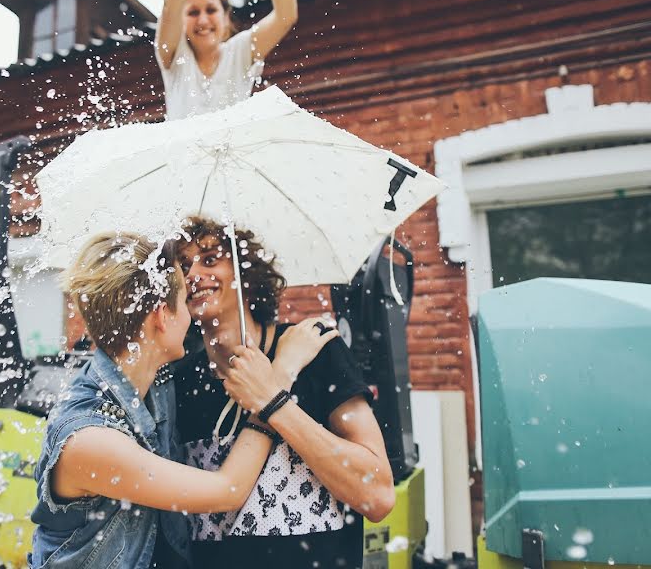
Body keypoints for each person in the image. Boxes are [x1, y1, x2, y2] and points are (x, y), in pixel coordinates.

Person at [28, 232, 337, 569]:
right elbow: (228, 490)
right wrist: (278, 377)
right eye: (184, 299)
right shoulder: (90, 440)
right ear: (162, 316)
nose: (190, 314)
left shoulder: (155, 384)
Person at [168, 216, 396, 569]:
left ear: (246, 273)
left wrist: (272, 400)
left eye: (210, 259)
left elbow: (378, 496)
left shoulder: (315, 351)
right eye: (183, 266)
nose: (194, 272)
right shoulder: (179, 383)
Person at [155, 0, 298, 119]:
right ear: (181, 21)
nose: (203, 20)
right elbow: (170, 7)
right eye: (193, 12)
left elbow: (285, 17)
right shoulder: (175, 55)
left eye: (211, 10)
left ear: (225, 18)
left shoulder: (239, 51)